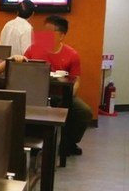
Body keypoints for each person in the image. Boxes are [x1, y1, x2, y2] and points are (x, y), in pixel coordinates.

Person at [24, 15, 92, 156]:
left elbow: (76, 80)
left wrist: (69, 95)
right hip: (37, 94)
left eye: (49, 32)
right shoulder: (33, 49)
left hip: (61, 94)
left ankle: (69, 142)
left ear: (61, 35)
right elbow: (23, 70)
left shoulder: (72, 55)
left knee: (84, 111)